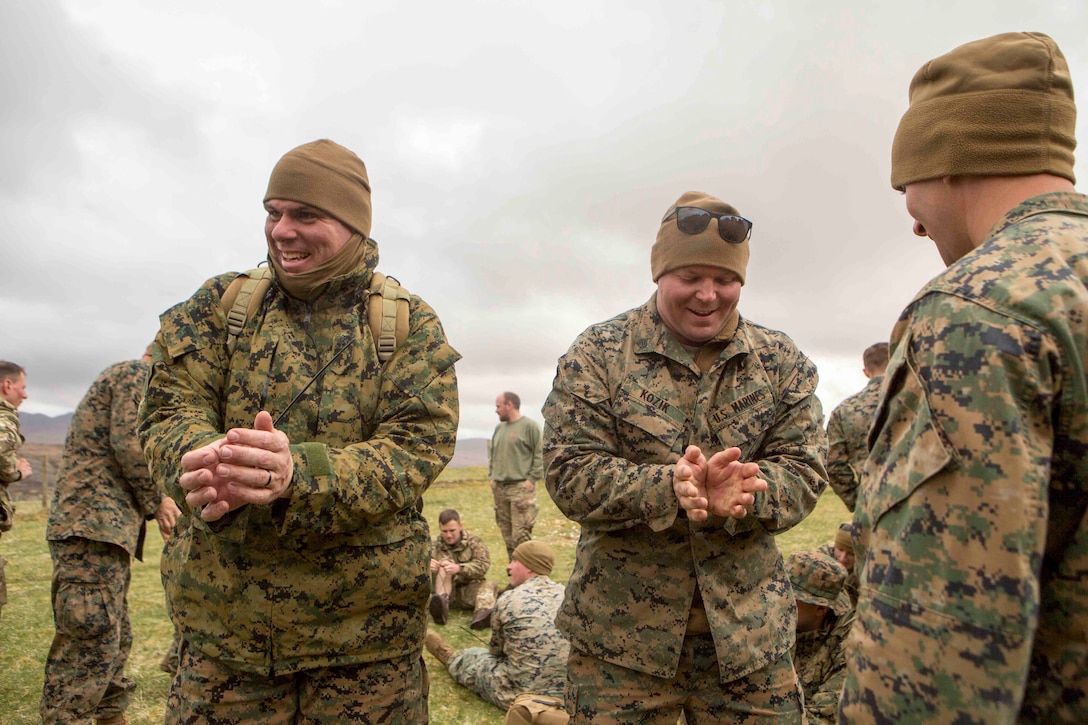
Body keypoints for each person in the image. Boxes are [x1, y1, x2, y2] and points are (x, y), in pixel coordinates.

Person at [138, 139, 460, 723]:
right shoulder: (219, 305)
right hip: (224, 641)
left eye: (306, 215)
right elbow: (165, 405)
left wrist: (298, 472)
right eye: (273, 212)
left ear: (353, 223)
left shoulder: (406, 324)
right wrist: (206, 457)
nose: (282, 230)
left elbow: (418, 444)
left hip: (366, 648)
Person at [840, 32, 1088, 723]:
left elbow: (938, 652)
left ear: (948, 161)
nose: (915, 223)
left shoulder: (976, 308)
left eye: (905, 185)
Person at [542, 191, 828, 723]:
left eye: (725, 280)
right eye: (691, 277)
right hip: (619, 647)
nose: (708, 295)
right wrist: (667, 488)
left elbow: (806, 470)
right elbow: (568, 471)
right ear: (659, 274)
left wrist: (747, 490)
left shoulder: (780, 361)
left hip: (750, 643)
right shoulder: (599, 353)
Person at [39, 353, 180, 724]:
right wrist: (157, 500)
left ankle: (109, 716)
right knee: (90, 638)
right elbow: (130, 442)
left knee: (113, 635)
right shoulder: (137, 374)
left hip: (104, 529)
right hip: (91, 525)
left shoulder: (132, 375)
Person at [425, 540, 569, 711]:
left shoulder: (509, 599)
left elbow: (495, 651)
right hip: (566, 691)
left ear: (529, 567)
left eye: (514, 561)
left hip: (520, 694)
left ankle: (450, 657)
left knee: (475, 657)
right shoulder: (567, 595)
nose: (509, 567)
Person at [787, 550, 854, 725]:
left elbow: (822, 718)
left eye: (792, 598)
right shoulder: (774, 620)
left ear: (821, 609)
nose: (780, 600)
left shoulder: (848, 650)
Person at [824, 343, 888, 511]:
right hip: (922, 502)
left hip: (872, 503)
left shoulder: (844, 410)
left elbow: (833, 465)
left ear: (866, 372)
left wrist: (858, 502)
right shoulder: (921, 400)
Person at [489, 391, 544, 560]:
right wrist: (491, 476)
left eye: (498, 406)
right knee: (507, 536)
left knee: (521, 536)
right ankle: (513, 578)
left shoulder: (530, 427)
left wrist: (531, 479)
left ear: (509, 405)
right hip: (500, 489)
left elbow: (540, 454)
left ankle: (526, 580)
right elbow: (493, 454)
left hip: (521, 489)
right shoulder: (499, 428)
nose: (496, 410)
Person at [429, 508, 499, 628]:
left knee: (489, 585)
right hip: (445, 590)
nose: (448, 535)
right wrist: (427, 565)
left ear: (460, 526)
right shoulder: (433, 545)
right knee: (444, 564)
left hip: (468, 589)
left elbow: (482, 565)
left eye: (452, 530)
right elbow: (414, 566)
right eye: (444, 531)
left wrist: (459, 568)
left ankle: (482, 615)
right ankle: (442, 604)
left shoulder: (474, 542)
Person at [0, 360, 32, 624]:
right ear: (7, 385)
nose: (25, 394)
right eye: (22, 387)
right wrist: (16, 471)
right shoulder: (4, 416)